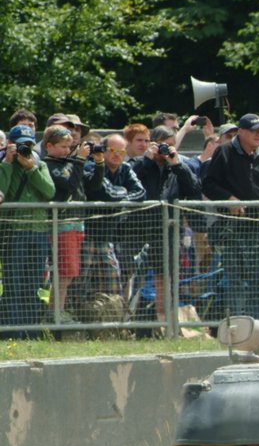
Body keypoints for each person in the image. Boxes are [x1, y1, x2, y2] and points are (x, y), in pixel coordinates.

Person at [201, 113, 259, 320]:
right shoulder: (224, 152)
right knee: (236, 278)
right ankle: (238, 325)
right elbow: (209, 184)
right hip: (232, 227)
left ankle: (258, 326)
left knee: (258, 279)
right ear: (241, 132)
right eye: (254, 131)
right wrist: (229, 198)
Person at [133, 125, 202, 319]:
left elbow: (194, 188)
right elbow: (130, 181)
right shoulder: (141, 163)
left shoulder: (177, 167)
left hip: (169, 230)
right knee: (131, 275)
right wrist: (147, 159)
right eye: (163, 145)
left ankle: (164, 320)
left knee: (165, 277)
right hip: (139, 229)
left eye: (171, 145)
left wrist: (177, 164)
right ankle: (125, 320)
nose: (167, 150)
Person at [0, 125, 55, 337]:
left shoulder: (39, 164)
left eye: (29, 144)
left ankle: (30, 331)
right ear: (11, 144)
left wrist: (31, 167)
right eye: (21, 144)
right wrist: (7, 163)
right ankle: (12, 332)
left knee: (33, 283)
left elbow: (49, 191)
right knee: (13, 283)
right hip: (15, 231)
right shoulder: (6, 165)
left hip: (38, 231)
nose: (25, 148)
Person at [43, 125, 102, 318]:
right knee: (64, 272)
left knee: (70, 273)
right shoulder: (49, 165)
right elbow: (70, 186)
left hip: (77, 223)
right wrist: (79, 160)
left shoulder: (71, 163)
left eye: (69, 147)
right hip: (63, 224)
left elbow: (92, 184)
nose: (66, 150)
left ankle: (57, 311)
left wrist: (99, 163)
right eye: (62, 146)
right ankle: (55, 313)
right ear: (49, 146)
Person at [84, 133, 147, 296]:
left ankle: (111, 318)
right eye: (112, 150)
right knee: (79, 282)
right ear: (103, 150)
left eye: (121, 151)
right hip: (87, 235)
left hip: (108, 236)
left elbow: (140, 193)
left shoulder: (125, 169)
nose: (117, 154)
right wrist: (124, 193)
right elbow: (105, 194)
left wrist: (122, 196)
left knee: (113, 284)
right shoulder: (93, 166)